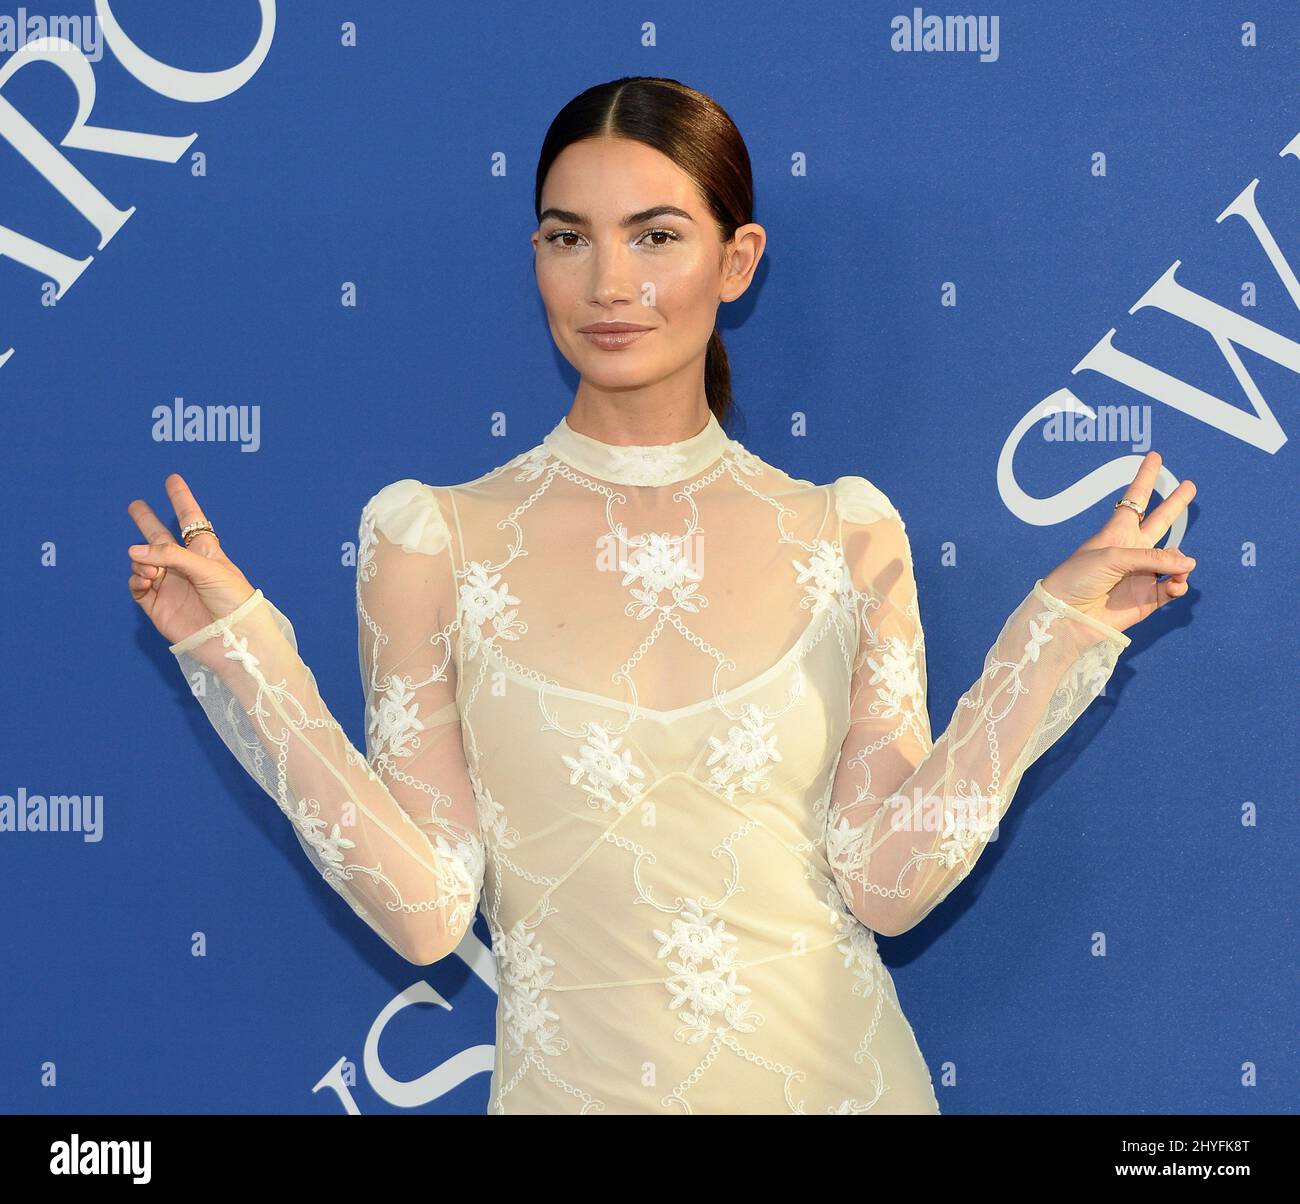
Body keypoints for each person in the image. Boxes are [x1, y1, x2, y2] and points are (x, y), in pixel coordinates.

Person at [125, 77, 1197, 1114]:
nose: (607, 281)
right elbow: (424, 912)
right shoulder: (429, 540)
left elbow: (885, 882)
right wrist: (242, 655)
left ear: (737, 261)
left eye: (654, 235)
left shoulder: (848, 531)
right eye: (566, 237)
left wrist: (1052, 634)